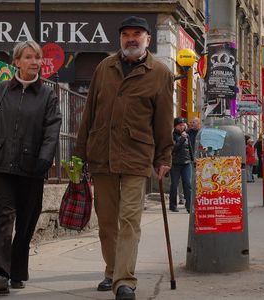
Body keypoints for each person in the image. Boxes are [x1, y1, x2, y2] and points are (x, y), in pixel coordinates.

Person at [73, 16, 174, 300]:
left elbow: (164, 121)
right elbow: (89, 113)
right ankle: (112, 269)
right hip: (102, 154)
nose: (131, 38)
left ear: (148, 39)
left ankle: (124, 281)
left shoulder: (160, 73)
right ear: (120, 39)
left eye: (137, 34)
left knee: (129, 219)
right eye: (126, 34)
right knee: (106, 220)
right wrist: (79, 154)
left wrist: (164, 156)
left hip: (136, 156)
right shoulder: (104, 68)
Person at [0, 41, 62, 294]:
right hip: (1, 165)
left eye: (37, 58)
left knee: (27, 221)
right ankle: (0, 271)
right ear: (16, 62)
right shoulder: (1, 90)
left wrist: (45, 158)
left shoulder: (48, 96)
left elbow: (51, 130)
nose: (34, 62)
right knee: (3, 217)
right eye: (28, 57)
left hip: (33, 167)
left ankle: (18, 270)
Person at [169, 117, 193, 213]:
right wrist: (182, 139)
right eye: (180, 125)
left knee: (188, 184)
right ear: (175, 126)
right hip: (175, 164)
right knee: (174, 184)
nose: (182, 126)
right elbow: (174, 149)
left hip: (186, 163)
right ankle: (173, 205)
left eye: (183, 125)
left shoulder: (186, 135)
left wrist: (192, 159)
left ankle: (189, 206)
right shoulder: (172, 136)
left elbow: (189, 148)